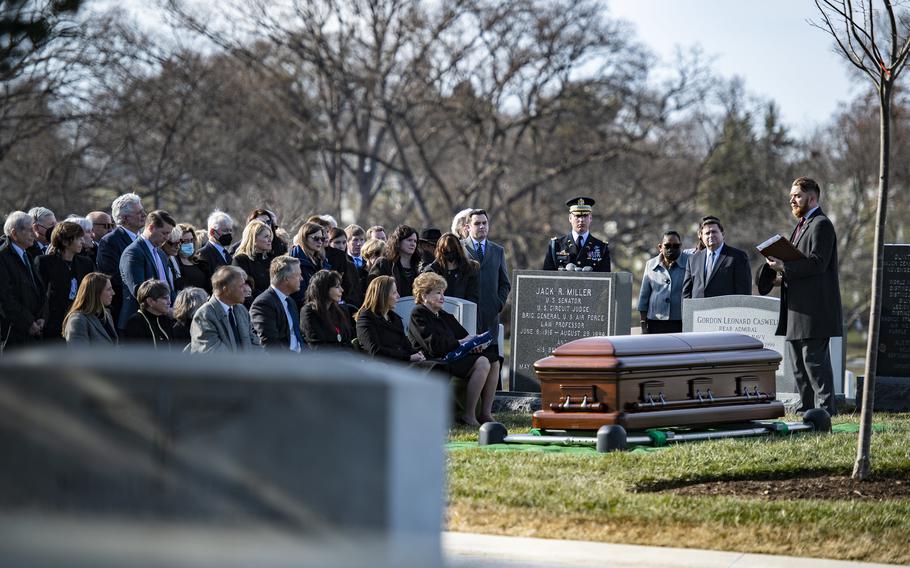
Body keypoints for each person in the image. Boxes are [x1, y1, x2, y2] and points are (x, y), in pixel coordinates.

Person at [758, 176, 842, 415]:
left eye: (797, 196)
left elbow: (818, 264)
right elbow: (800, 267)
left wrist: (784, 267)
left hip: (814, 310)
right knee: (798, 366)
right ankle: (805, 407)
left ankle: (827, 410)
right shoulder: (801, 225)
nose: (792, 201)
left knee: (815, 364)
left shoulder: (821, 224)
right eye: (791, 197)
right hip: (796, 310)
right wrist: (778, 279)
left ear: (812, 197)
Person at [408, 272, 499, 426]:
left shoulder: (442, 314)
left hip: (453, 355)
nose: (443, 297)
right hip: (436, 360)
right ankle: (469, 415)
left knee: (495, 359)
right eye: (438, 293)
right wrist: (462, 342)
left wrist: (475, 344)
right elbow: (434, 346)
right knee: (482, 362)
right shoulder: (418, 314)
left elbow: (463, 336)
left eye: (443, 292)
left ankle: (485, 413)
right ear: (424, 295)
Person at [35, 221, 94, 341]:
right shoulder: (44, 262)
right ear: (65, 242)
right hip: (53, 324)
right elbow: (39, 294)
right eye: (78, 238)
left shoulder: (86, 263)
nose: (82, 242)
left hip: (79, 321)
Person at [118, 210, 176, 330]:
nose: (166, 238)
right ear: (151, 227)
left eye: (169, 234)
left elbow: (167, 285)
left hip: (161, 320)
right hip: (138, 324)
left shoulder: (160, 253)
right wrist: (166, 310)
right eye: (164, 233)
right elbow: (139, 290)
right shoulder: (133, 252)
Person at [461, 209, 510, 349]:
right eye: (477, 223)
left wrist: (497, 304)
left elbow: (505, 284)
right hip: (465, 315)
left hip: (490, 318)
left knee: (492, 360)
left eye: (484, 223)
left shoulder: (498, 250)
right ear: (468, 227)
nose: (482, 226)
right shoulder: (459, 247)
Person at [97, 193, 146, 326]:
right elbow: (112, 277)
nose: (144, 215)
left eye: (143, 211)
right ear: (125, 218)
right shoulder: (109, 241)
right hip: (124, 310)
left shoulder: (143, 240)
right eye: (139, 212)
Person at [0, 211, 47, 347]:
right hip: (14, 335)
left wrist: (42, 317)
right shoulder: (2, 258)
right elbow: (5, 298)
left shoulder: (27, 256)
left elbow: (40, 290)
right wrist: (28, 322)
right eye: (30, 229)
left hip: (34, 332)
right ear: (14, 233)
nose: (34, 233)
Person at [356, 275, 425, 363]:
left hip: (402, 364)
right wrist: (408, 357)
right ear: (382, 296)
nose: (398, 296)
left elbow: (406, 346)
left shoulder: (395, 318)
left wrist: (418, 354)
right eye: (394, 293)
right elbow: (375, 351)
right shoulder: (366, 318)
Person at [190, 265, 255, 353]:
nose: (246, 289)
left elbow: (254, 342)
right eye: (241, 286)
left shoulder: (241, 310)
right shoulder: (204, 316)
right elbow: (214, 354)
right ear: (226, 289)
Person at [682, 217, 751, 299]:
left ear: (722, 234)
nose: (711, 235)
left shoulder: (737, 256)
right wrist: (687, 310)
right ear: (701, 236)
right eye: (707, 233)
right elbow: (686, 293)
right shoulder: (693, 259)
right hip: (699, 310)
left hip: (725, 309)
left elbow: (744, 291)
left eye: (714, 232)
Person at [250, 255, 305, 352]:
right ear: (286, 278)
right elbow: (270, 344)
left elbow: (298, 337)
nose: (301, 278)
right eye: (298, 275)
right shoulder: (263, 304)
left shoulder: (290, 301)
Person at [637, 231, 688, 334]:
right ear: (660, 247)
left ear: (681, 246)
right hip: (655, 321)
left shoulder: (690, 262)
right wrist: (643, 324)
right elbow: (644, 296)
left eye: (676, 246)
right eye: (667, 246)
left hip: (680, 321)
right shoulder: (650, 264)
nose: (671, 249)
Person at [543, 197, 611, 271]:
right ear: (570, 218)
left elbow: (606, 279)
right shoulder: (556, 246)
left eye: (585, 216)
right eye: (577, 216)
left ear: (590, 218)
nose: (581, 220)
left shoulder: (601, 248)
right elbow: (547, 278)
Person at [301, 269, 356, 349]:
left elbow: (346, 341)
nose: (342, 290)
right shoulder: (309, 311)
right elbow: (316, 344)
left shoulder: (339, 310)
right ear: (324, 289)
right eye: (337, 287)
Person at [62, 272, 117, 345]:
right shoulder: (77, 320)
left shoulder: (107, 315)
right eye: (108, 289)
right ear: (96, 293)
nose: (113, 293)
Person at [422, 232, 479, 303]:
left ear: (458, 250)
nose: (449, 253)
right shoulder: (432, 271)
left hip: (462, 310)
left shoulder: (469, 269)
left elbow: (472, 296)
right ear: (440, 251)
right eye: (446, 251)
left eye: (452, 250)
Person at [369, 224, 420, 297]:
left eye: (415, 241)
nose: (413, 244)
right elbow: (374, 289)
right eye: (409, 240)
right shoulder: (384, 263)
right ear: (398, 242)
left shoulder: (418, 266)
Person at [231, 220, 274, 306]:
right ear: (253, 238)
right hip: (252, 308)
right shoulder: (240, 260)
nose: (270, 240)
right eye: (266, 236)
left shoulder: (270, 261)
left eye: (270, 236)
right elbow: (244, 289)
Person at [123, 279, 174, 348]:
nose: (169, 302)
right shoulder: (135, 323)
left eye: (169, 298)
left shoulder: (166, 320)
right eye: (165, 298)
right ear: (150, 301)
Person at [290, 221, 331, 303]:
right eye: (316, 238)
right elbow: (300, 295)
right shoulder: (294, 261)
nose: (320, 242)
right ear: (304, 238)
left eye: (322, 239)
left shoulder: (322, 260)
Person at [173, 223, 211, 293]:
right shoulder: (173, 263)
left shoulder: (200, 263)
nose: (190, 243)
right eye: (186, 241)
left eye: (191, 240)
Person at [344, 224, 368, 307]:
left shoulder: (369, 260)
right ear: (347, 242)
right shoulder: (344, 261)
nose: (359, 244)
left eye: (362, 240)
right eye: (355, 240)